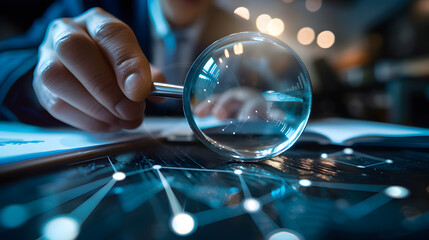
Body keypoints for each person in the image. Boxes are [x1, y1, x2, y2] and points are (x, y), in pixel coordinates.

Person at [0, 0, 253, 132]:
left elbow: (283, 90)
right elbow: (6, 60)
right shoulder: (90, 3)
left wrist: (257, 104)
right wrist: (39, 84)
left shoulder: (243, 33)